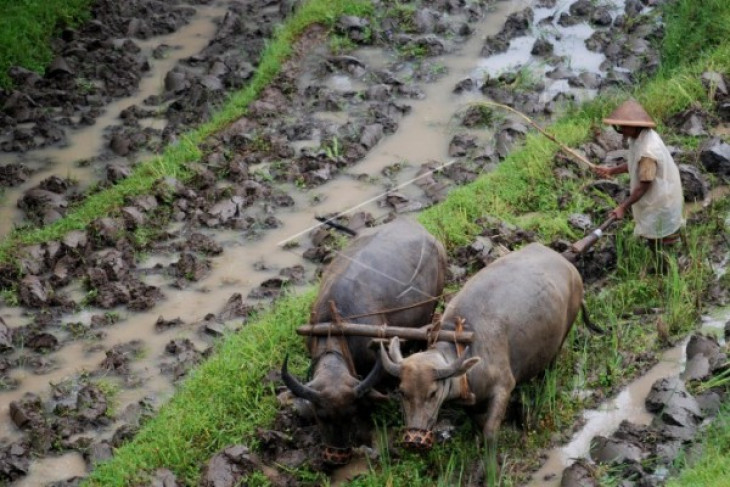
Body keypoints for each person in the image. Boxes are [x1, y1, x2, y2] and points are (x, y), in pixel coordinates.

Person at [593, 100, 684, 254]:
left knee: (659, 238)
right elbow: (634, 163)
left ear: (635, 126)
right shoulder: (639, 137)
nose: (621, 129)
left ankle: (664, 269)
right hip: (659, 195)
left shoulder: (648, 150)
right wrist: (611, 171)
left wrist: (622, 207)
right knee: (657, 234)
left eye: (623, 126)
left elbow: (643, 186)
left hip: (661, 200)